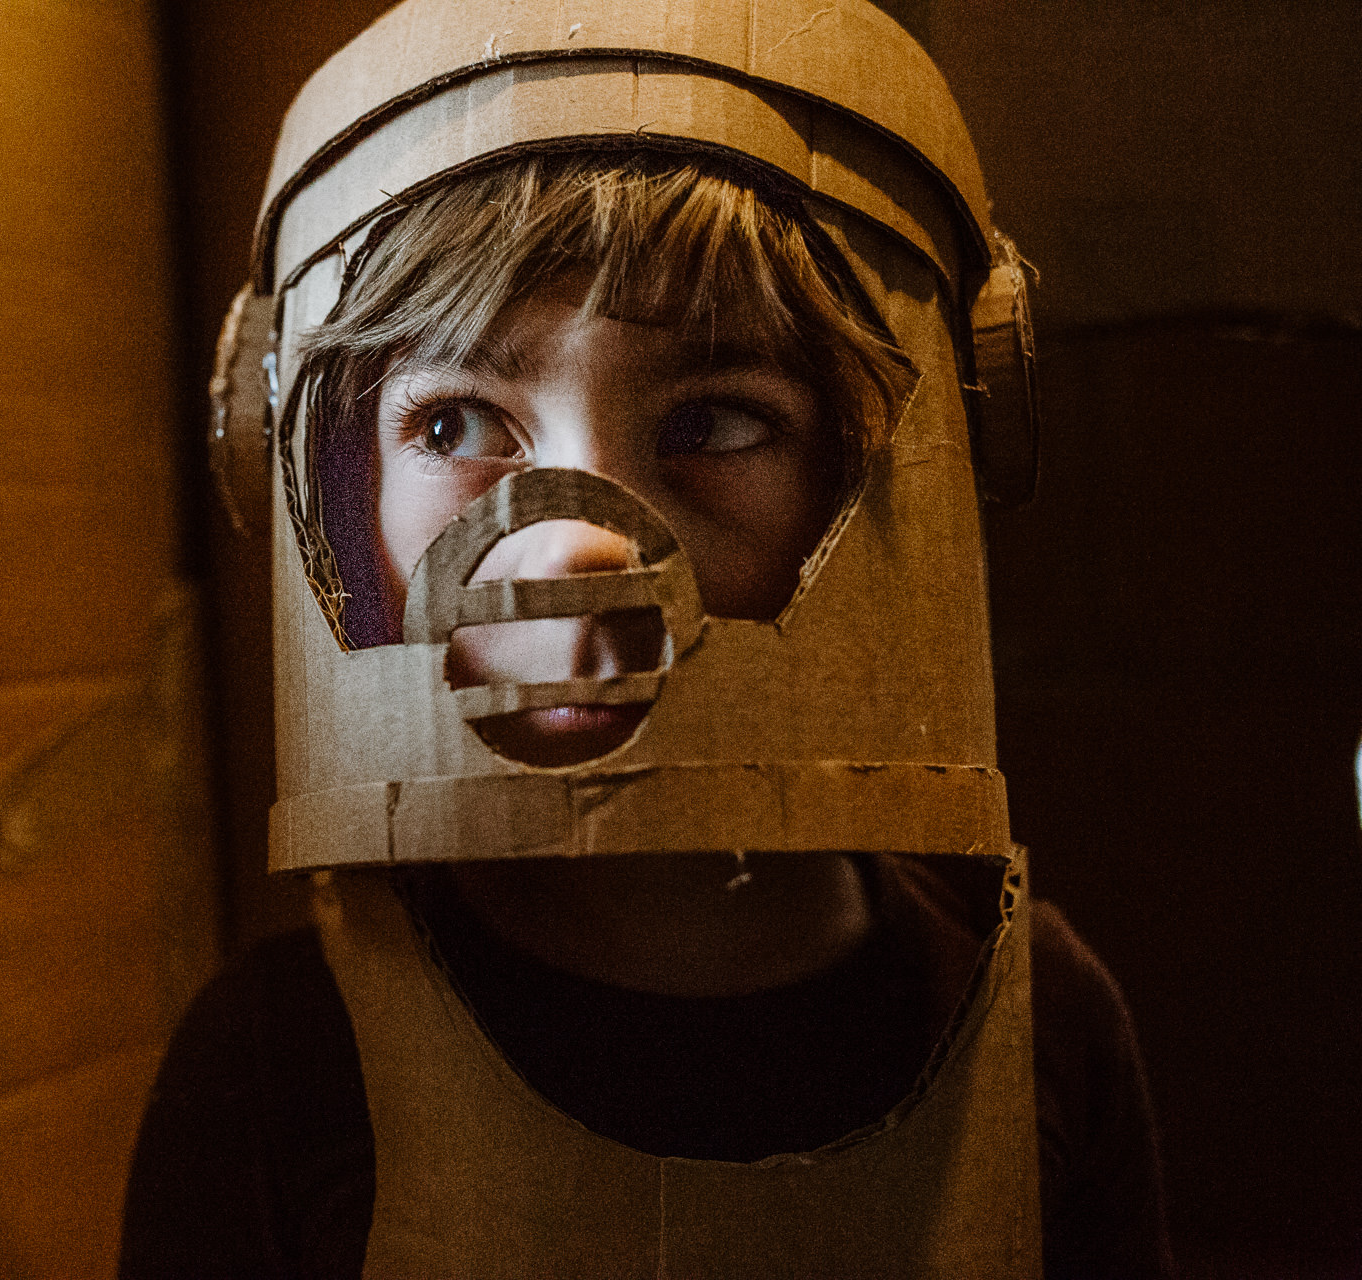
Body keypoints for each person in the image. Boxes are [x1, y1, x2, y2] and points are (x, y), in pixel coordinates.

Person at [127, 5, 1171, 1277]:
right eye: (458, 422)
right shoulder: (278, 1065)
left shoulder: (1044, 1025)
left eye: (717, 420)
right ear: (327, 481)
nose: (581, 547)